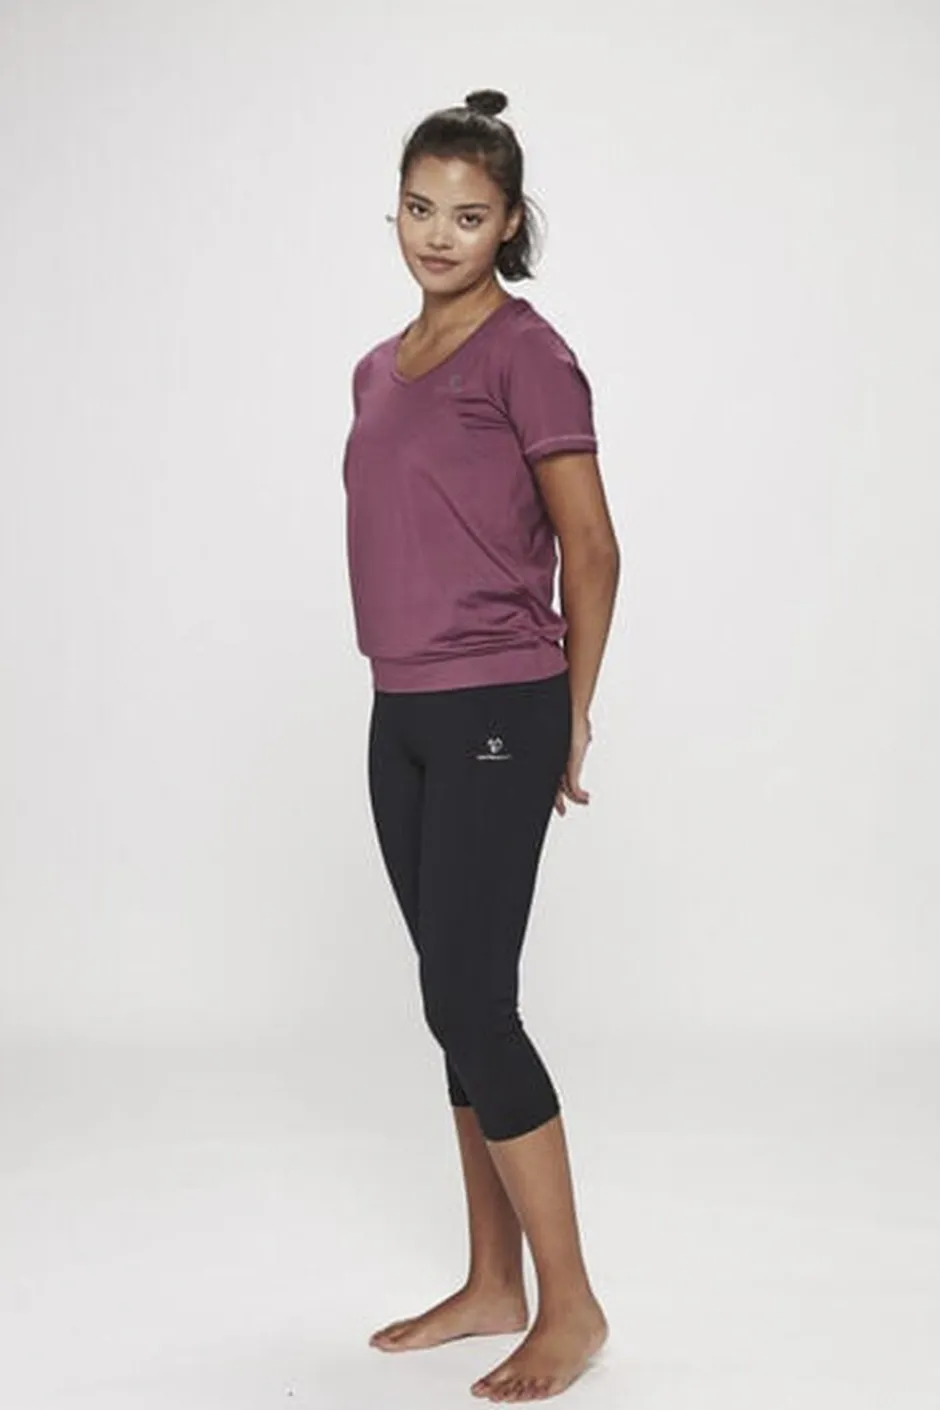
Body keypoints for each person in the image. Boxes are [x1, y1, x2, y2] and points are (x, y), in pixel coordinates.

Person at [342, 88, 620, 1403]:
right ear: (394, 210)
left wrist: (573, 711)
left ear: (510, 223)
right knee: (449, 998)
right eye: (419, 208)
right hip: (400, 711)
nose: (437, 234)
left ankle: (572, 1306)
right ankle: (491, 1281)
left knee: (472, 999)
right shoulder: (376, 368)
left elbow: (593, 546)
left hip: (502, 702)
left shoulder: (530, 354)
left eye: (467, 215)